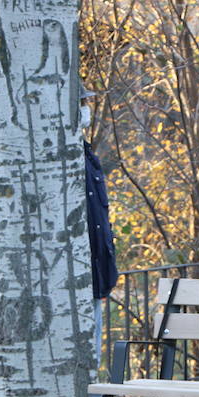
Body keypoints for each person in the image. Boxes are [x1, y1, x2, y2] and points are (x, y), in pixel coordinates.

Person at [82, 88, 118, 356]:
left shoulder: (85, 153)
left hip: (94, 275)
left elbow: (99, 220)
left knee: (91, 356)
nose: (86, 109)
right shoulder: (63, 158)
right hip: (76, 278)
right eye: (81, 103)